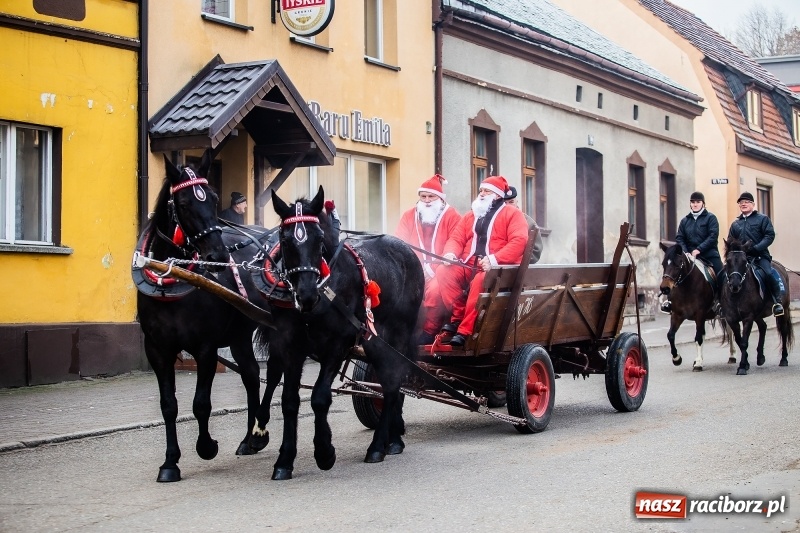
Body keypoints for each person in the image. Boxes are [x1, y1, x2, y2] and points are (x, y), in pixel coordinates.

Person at [419, 176, 529, 346]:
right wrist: (450, 254)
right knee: (444, 271)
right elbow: (456, 238)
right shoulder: (471, 216)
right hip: (468, 264)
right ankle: (457, 318)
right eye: (481, 191)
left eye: (487, 191)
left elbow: (519, 241)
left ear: (498, 195)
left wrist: (494, 259)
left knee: (480, 281)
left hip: (498, 268)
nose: (482, 194)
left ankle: (465, 330)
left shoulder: (513, 214)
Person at [661, 191, 722, 314]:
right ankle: (670, 301)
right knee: (673, 271)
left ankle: (720, 302)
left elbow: (712, 236)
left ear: (703, 204)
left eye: (698, 202)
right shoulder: (685, 221)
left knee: (721, 275)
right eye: (693, 202)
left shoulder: (711, 218)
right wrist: (686, 252)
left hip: (709, 254)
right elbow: (679, 238)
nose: (695, 204)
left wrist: (699, 249)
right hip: (688, 255)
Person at [727, 191, 784, 316]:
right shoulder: (735, 224)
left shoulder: (763, 219)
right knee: (725, 274)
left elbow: (770, 236)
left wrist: (756, 248)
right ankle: (722, 304)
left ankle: (777, 302)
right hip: (742, 258)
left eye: (746, 202)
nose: (743, 204)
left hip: (759, 256)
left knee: (768, 274)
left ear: (753, 204)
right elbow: (730, 240)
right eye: (741, 202)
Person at [395, 174, 461, 282]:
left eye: (431, 196)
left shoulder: (453, 216)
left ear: (440, 197)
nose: (427, 200)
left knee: (434, 293)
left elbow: (455, 245)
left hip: (442, 269)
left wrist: (431, 269)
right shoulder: (409, 215)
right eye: (423, 196)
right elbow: (399, 242)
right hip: (413, 268)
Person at [504, 186, 544, 265]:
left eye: (511, 202)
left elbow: (535, 251)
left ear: (516, 202)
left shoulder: (529, 223)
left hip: (518, 270)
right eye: (504, 203)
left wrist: (513, 260)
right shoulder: (494, 221)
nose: (508, 206)